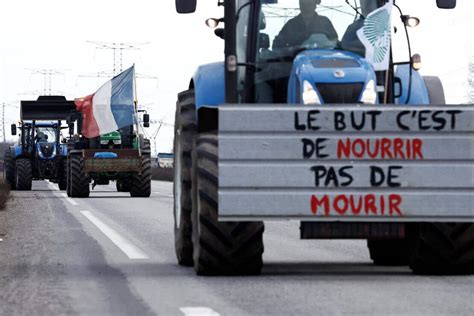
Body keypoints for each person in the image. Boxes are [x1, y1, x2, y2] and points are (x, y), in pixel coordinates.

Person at [272, 0, 338, 50]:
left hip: (321, 63)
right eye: (303, 3)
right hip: (295, 64)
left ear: (315, 4)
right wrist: (291, 51)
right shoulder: (291, 25)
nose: (306, 6)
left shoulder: (325, 22)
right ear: (299, 4)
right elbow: (277, 45)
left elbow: (335, 43)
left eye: (309, 3)